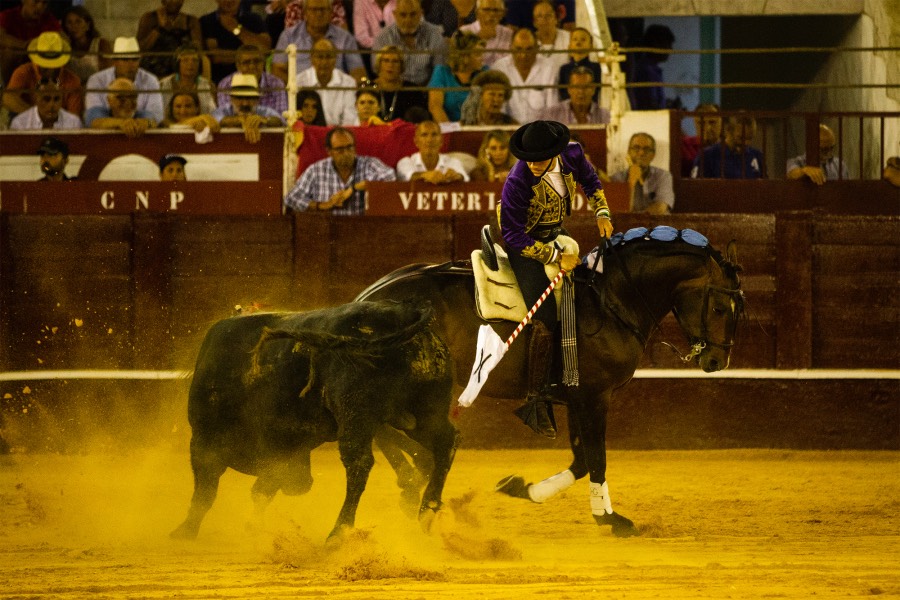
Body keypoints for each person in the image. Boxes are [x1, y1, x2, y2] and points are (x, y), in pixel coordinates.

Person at [500, 120, 612, 438]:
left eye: (540, 158)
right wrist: (553, 257)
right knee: (546, 318)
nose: (533, 164)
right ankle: (536, 400)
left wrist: (601, 212)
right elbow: (512, 234)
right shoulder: (517, 180)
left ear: (556, 152)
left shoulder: (572, 154)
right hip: (524, 246)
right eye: (529, 158)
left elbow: (590, 181)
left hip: (556, 234)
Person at [284, 126, 396, 215]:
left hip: (361, 230)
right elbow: (291, 198)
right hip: (328, 232)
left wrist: (354, 188)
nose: (346, 153)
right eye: (340, 149)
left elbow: (391, 177)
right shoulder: (316, 170)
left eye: (349, 147)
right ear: (329, 151)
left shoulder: (369, 164)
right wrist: (322, 205)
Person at [271, 0, 365, 83]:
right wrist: (294, 90)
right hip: (299, 95)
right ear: (305, 13)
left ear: (331, 12)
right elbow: (277, 70)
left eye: (323, 9)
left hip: (337, 94)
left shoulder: (345, 38)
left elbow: (358, 71)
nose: (319, 14)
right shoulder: (288, 36)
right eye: (314, 10)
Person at [84, 37, 165, 125]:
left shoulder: (151, 80)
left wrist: (140, 123)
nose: (131, 64)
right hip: (105, 133)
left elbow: (156, 116)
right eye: (125, 59)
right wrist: (123, 124)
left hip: (140, 133)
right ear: (114, 61)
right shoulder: (97, 80)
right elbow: (93, 116)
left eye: (135, 59)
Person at [3, 31, 82, 118]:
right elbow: (8, 98)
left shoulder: (72, 81)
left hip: (59, 125)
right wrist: (36, 116)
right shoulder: (24, 71)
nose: (48, 66)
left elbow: (74, 117)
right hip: (28, 122)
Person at [372, 0, 447, 87]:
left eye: (413, 14)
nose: (408, 20)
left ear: (421, 14)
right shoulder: (383, 37)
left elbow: (440, 71)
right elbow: (377, 69)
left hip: (426, 91)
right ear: (395, 15)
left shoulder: (434, 34)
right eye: (403, 15)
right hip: (395, 90)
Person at [492, 28, 556, 124]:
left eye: (529, 49)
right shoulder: (499, 68)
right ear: (510, 48)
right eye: (518, 49)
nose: (523, 55)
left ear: (537, 48)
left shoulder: (549, 68)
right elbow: (498, 108)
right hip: (508, 130)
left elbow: (552, 108)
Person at [201, 0, 271, 84]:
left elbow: (265, 49)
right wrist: (250, 56)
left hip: (255, 79)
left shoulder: (254, 19)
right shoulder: (207, 21)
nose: (229, 1)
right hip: (219, 80)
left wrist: (236, 29)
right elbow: (215, 56)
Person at [427, 31, 485, 123]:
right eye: (478, 54)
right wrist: (451, 131)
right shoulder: (442, 72)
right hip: (449, 129)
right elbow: (435, 106)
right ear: (464, 56)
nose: (483, 58)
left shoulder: (485, 72)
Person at [295, 38, 356, 125]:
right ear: (311, 59)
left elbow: (349, 118)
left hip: (338, 134)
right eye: (320, 57)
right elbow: (297, 116)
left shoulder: (348, 83)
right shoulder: (299, 81)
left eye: (328, 57)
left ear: (336, 58)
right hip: (309, 132)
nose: (324, 62)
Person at [136, 0, 203, 79]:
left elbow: (198, 49)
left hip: (182, 72)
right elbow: (140, 47)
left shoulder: (191, 21)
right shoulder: (149, 18)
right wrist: (159, 29)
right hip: (153, 70)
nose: (173, 2)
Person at [611, 132, 674, 215]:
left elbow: (660, 208)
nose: (641, 153)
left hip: (655, 226)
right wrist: (631, 183)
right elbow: (619, 212)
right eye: (636, 148)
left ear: (653, 155)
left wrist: (635, 219)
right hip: (628, 227)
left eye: (647, 149)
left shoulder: (663, 176)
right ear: (629, 152)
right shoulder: (617, 178)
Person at [211, 73, 284, 143]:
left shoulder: (263, 111)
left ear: (257, 100)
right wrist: (242, 121)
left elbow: (279, 120)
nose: (245, 103)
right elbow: (213, 119)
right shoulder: (223, 110)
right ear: (232, 99)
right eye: (240, 98)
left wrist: (264, 120)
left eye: (249, 98)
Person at [0, 0, 61, 81]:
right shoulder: (8, 15)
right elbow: (1, 37)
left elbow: (62, 39)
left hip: (36, 65)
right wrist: (26, 45)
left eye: (44, 3)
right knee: (9, 54)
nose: (40, 7)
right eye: (36, 1)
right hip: (9, 65)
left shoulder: (48, 19)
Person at [216, 44, 286, 114]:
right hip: (235, 125)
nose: (252, 66)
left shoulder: (276, 83)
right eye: (246, 62)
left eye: (256, 61)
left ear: (263, 63)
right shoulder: (226, 85)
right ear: (238, 66)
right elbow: (224, 116)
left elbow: (280, 117)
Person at [691, 114, 764, 179]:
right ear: (728, 131)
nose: (746, 143)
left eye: (750, 138)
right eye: (741, 138)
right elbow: (696, 188)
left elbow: (765, 187)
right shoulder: (707, 156)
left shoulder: (757, 156)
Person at [396, 119, 468, 182]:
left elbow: (464, 177)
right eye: (424, 135)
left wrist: (456, 176)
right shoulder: (405, 162)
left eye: (434, 134)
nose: (430, 140)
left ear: (441, 141)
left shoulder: (453, 162)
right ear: (416, 141)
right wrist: (425, 175)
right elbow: (409, 176)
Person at [370, 45, 428, 122]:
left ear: (401, 66)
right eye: (386, 60)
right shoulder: (369, 88)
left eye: (395, 61)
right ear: (379, 64)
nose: (390, 65)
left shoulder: (412, 90)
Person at [86, 77, 157, 137]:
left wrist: (147, 123)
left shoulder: (142, 113)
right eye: (121, 98)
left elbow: (152, 121)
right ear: (109, 101)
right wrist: (122, 123)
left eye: (132, 97)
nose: (128, 103)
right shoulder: (97, 111)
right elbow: (96, 122)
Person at [160, 44, 217, 116]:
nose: (190, 64)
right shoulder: (163, 85)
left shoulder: (209, 86)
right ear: (177, 64)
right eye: (185, 60)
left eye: (195, 60)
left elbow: (214, 114)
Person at [539, 65, 608, 124]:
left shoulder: (605, 116)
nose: (581, 91)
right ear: (569, 89)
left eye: (586, 87)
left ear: (593, 89)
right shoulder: (551, 115)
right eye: (576, 87)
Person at [60, 6, 112, 85]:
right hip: (75, 92)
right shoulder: (66, 48)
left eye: (78, 22)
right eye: (69, 23)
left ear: (87, 25)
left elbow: (108, 73)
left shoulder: (100, 44)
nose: (74, 26)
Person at [628, 24, 674, 110]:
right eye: (668, 44)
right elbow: (648, 105)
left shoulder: (653, 70)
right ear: (656, 43)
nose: (671, 49)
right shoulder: (646, 71)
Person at [9, 78, 82, 129]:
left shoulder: (74, 122)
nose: (52, 105)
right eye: (46, 99)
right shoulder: (20, 123)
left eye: (56, 99)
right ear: (36, 99)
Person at [458, 0, 511, 67]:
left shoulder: (508, 33)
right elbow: (459, 62)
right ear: (477, 13)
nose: (492, 14)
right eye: (486, 9)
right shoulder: (464, 32)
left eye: (496, 10)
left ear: (503, 13)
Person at [557, 27, 601, 101]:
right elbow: (562, 93)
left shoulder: (596, 67)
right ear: (570, 45)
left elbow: (595, 92)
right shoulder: (564, 69)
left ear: (591, 46)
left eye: (583, 39)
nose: (578, 42)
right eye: (575, 39)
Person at [353, 0, 396, 74]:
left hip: (401, 54)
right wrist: (385, 46)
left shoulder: (403, 2)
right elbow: (361, 38)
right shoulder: (361, 2)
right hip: (372, 55)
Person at [680, 102, 719, 177]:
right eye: (701, 123)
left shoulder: (729, 148)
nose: (708, 128)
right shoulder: (685, 146)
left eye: (712, 122)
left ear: (721, 122)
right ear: (695, 123)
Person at [532, 0, 569, 73]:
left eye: (548, 15)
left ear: (556, 19)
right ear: (534, 22)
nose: (544, 20)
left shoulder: (569, 38)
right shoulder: (529, 41)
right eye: (539, 16)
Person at [503, 0, 574, 30]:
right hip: (527, 47)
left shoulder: (567, 1)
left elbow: (570, 31)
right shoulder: (515, 2)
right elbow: (511, 32)